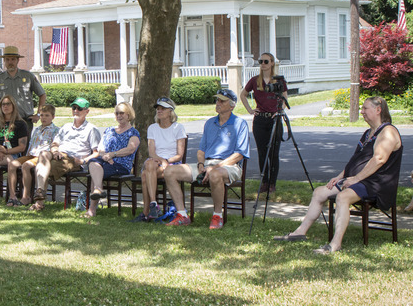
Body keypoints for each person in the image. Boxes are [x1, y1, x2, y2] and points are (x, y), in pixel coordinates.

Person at [274, 97, 403, 254]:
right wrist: (340, 176)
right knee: (319, 192)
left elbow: (379, 160)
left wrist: (355, 179)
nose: (361, 112)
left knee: (343, 197)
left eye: (365, 108)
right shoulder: (368, 133)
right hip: (357, 180)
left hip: (376, 184)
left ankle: (335, 244)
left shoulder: (388, 132)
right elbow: (356, 161)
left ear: (378, 110)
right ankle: (300, 232)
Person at [164, 89, 250, 228]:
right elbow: (201, 150)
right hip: (206, 164)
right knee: (169, 171)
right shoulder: (210, 123)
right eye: (217, 100)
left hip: (229, 165)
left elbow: (239, 154)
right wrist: (200, 164)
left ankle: (217, 216)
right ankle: (182, 215)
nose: (218, 103)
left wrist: (215, 167)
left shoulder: (240, 124)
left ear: (232, 105)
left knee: (215, 174)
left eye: (222, 101)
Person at [31, 97, 101, 211]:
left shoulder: (91, 129)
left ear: (87, 111)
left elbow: (96, 153)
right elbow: (54, 143)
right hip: (58, 155)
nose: (76, 110)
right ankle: (40, 193)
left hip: (73, 159)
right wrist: (55, 151)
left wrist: (83, 161)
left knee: (41, 167)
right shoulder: (66, 127)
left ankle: (39, 202)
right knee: (43, 154)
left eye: (79, 108)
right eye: (74, 107)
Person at [131, 97, 186, 223]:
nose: (159, 111)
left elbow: (179, 155)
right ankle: (154, 204)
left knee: (145, 174)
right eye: (158, 109)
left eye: (162, 109)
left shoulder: (178, 128)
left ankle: (147, 212)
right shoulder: (152, 128)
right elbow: (152, 152)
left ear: (170, 111)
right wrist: (162, 160)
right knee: (150, 163)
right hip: (156, 161)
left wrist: (167, 160)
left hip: (172, 163)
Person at [239, 52, 287, 194]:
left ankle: (272, 182)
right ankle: (264, 182)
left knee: (274, 152)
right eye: (261, 61)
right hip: (260, 119)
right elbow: (243, 94)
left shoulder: (279, 81)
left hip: (274, 119)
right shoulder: (255, 80)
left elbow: (285, 98)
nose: (263, 64)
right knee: (262, 152)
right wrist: (250, 110)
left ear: (272, 63)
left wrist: (279, 111)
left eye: (266, 61)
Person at [86, 102, 141, 217]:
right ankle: (98, 189)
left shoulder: (133, 132)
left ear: (128, 114)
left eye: (122, 113)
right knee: (93, 164)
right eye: (116, 113)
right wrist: (106, 156)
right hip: (105, 161)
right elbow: (100, 148)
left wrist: (113, 154)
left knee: (95, 173)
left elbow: (130, 149)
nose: (119, 116)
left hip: (121, 165)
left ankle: (92, 209)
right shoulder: (109, 130)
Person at [6, 104, 59, 207]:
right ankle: (12, 196)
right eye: (42, 115)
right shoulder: (37, 129)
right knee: (12, 164)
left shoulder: (55, 130)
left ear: (53, 117)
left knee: (26, 166)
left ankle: (26, 196)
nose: (43, 118)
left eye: (47, 115)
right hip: (30, 154)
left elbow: (54, 146)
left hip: (41, 157)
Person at [0, 46, 46, 135]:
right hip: (5, 122)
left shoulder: (28, 76)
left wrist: (38, 114)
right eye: (7, 60)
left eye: (13, 59)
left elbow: (42, 94)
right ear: (4, 61)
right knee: (6, 147)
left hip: (25, 121)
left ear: (17, 60)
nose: (10, 62)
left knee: (24, 148)